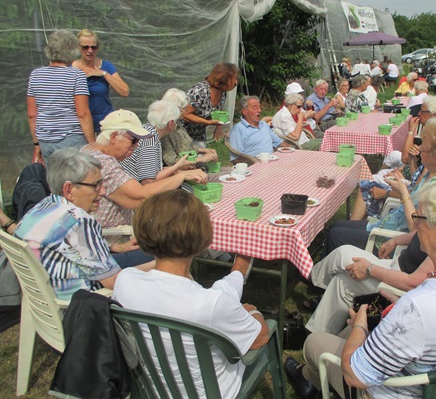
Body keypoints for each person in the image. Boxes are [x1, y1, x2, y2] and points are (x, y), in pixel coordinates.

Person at [285, 178, 436, 399]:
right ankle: (310, 381)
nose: (416, 225)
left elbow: (355, 375)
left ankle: (307, 378)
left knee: (315, 343)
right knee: (345, 328)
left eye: (420, 218)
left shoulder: (419, 308)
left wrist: (361, 327)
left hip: (387, 389)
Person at [303, 156, 436, 334]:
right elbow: (419, 229)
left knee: (344, 278)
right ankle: (316, 290)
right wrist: (397, 240)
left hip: (400, 286)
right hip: (398, 266)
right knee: (342, 256)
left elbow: (413, 282)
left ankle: (315, 321)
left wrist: (369, 269)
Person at [112, 190, 270, 398]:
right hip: (210, 392)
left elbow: (215, 294)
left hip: (153, 388)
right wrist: (253, 312)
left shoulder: (125, 281)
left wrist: (237, 272)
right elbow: (260, 337)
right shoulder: (210, 304)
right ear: (203, 237)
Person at [14, 149, 154, 300]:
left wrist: (114, 247)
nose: (102, 191)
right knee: (157, 260)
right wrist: (162, 266)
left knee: (142, 256)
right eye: (96, 185)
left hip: (48, 295)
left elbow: (68, 245)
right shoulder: (78, 220)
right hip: (83, 302)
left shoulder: (41, 208)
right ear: (69, 189)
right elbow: (113, 281)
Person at [327, 123, 436, 254]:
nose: (419, 148)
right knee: (337, 225)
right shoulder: (431, 173)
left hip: (389, 241)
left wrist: (402, 191)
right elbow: (414, 195)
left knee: (335, 234)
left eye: (424, 147)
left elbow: (415, 226)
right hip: (386, 225)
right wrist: (400, 185)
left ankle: (320, 275)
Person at [81, 109, 207, 229]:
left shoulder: (89, 149)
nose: (137, 146)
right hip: (116, 236)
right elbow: (140, 196)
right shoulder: (103, 163)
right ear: (114, 137)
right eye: (134, 140)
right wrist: (181, 176)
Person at [27, 29, 95, 162]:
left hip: (45, 140)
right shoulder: (77, 75)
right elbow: (83, 114)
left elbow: (32, 114)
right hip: (71, 138)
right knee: (77, 179)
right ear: (72, 50)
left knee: (55, 181)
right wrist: (92, 144)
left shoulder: (35, 75)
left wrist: (36, 144)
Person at [119, 101, 200, 184]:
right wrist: (178, 168)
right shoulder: (150, 141)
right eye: (176, 121)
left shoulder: (147, 130)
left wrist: (177, 168)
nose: (176, 125)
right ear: (170, 123)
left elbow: (154, 171)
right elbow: (148, 181)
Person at [72, 29, 130, 132]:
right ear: (78, 47)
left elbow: (124, 91)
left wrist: (104, 74)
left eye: (93, 47)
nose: (90, 51)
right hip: (80, 127)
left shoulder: (106, 66)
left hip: (105, 125)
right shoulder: (71, 68)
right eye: (85, 47)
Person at [158, 88, 220, 168]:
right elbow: (172, 161)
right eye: (183, 109)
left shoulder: (178, 123)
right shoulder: (165, 131)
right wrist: (201, 159)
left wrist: (203, 150)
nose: (185, 111)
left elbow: (186, 146)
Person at [182, 62, 238, 147]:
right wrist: (208, 122)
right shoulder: (200, 91)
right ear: (224, 79)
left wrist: (218, 127)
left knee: (202, 157)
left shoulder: (222, 93)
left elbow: (219, 110)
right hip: (182, 135)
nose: (236, 82)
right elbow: (184, 114)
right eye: (234, 78)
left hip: (198, 135)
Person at [229, 96, 289, 161]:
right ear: (244, 111)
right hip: (253, 166)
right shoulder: (238, 129)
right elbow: (235, 159)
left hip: (271, 162)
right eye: (255, 108)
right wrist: (255, 161)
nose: (259, 110)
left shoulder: (264, 125)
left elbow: (279, 142)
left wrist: (291, 149)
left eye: (259, 107)